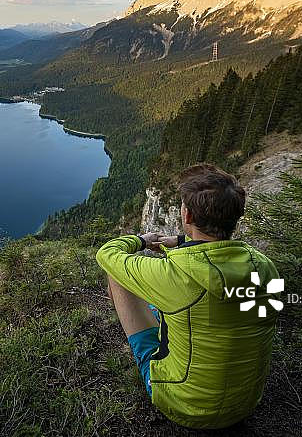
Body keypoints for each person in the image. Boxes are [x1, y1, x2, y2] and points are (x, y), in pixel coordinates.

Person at [96, 163, 281, 429]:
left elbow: (107, 255)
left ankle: (147, 356)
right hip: (246, 402)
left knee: (118, 274)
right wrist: (183, 242)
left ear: (188, 216)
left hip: (185, 404)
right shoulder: (264, 266)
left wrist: (142, 240)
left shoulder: (177, 277)